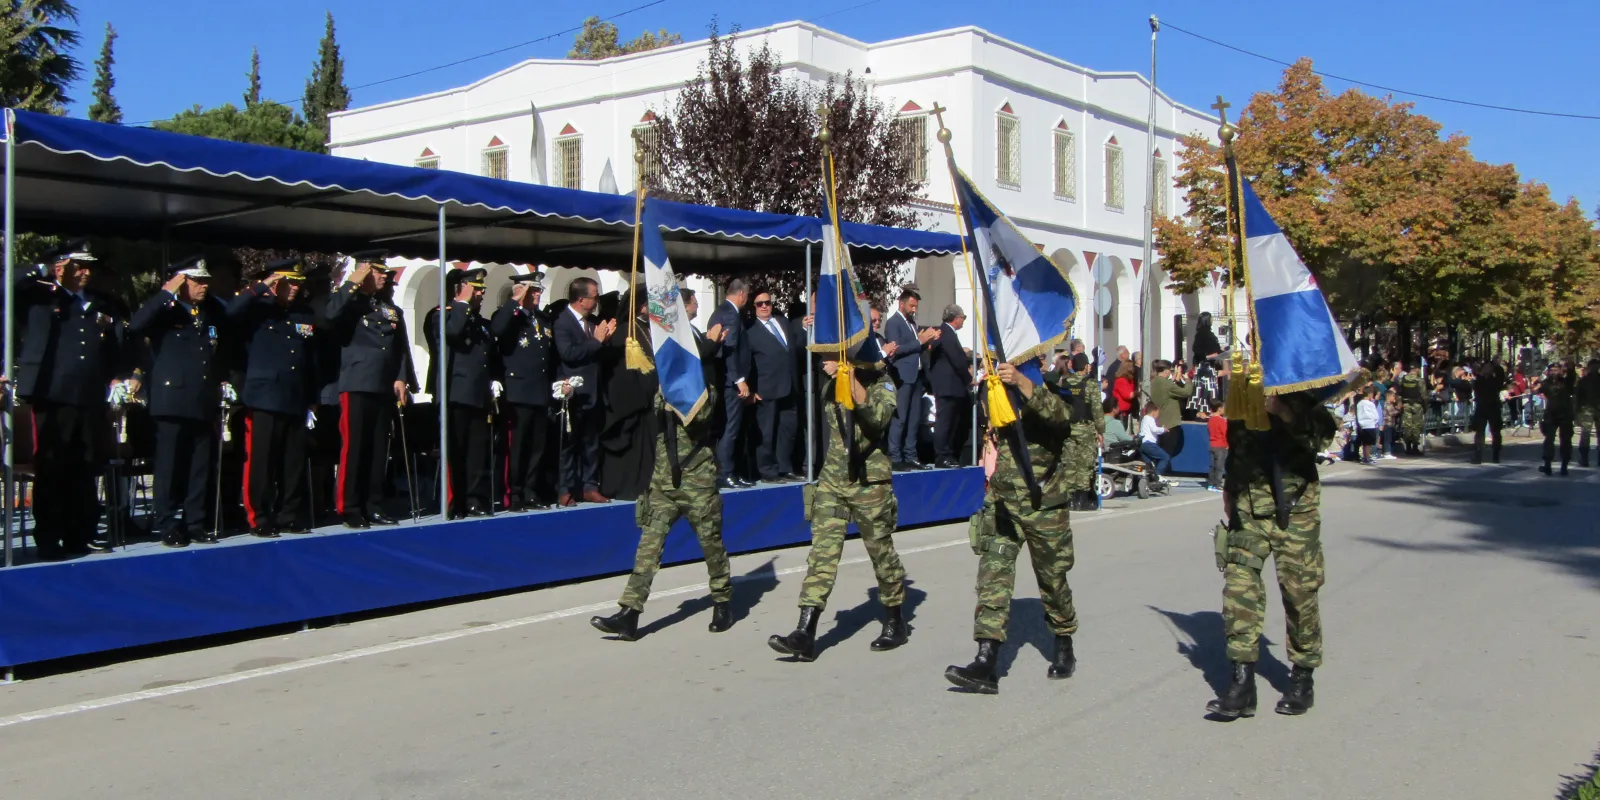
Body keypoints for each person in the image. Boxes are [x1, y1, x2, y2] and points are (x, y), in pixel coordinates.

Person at [590, 315, 733, 640]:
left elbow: (702, 416)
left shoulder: (703, 386)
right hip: (664, 481)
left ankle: (722, 600)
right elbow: (653, 408)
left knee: (711, 544)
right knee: (648, 547)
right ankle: (629, 613)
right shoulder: (664, 385)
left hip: (697, 478)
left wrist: (677, 395)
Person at [945, 359, 1080, 694]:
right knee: (993, 578)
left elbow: (1061, 419)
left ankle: (1063, 641)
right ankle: (985, 661)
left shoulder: (1049, 391)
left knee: (1052, 580)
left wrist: (1022, 382)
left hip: (1043, 505)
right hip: (1004, 504)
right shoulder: (997, 392)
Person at [769, 346, 908, 662]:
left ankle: (895, 622)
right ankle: (805, 631)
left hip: (869, 483)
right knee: (822, 555)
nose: (822, 362)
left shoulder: (882, 382)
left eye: (828, 355)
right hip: (833, 479)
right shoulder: (829, 385)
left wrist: (851, 378)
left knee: (881, 554)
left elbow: (876, 421)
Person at [1208, 390, 1335, 719]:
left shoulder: (1300, 391)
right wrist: (1229, 488)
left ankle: (1303, 676)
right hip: (1249, 509)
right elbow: (1239, 446)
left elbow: (1323, 436)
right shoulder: (1244, 389)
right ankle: (1241, 684)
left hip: (1294, 512)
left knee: (1299, 594)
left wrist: (1283, 410)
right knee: (1239, 591)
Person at [14, 242, 136, 558]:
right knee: (54, 465)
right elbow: (6, 284)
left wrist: (118, 375)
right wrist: (41, 269)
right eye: (76, 267)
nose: (83, 273)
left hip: (90, 394)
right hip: (53, 392)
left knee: (85, 467)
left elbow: (115, 347)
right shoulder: (39, 295)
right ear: (61, 267)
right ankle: (49, 536)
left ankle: (80, 533)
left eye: (86, 267)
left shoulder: (97, 303)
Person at [130, 255, 230, 547]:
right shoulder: (165, 312)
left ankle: (195, 522)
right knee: (170, 466)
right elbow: (136, 325)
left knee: (199, 466)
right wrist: (166, 292)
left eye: (205, 281)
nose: (203, 286)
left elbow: (229, 324)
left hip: (201, 398)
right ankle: (168, 523)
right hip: (171, 400)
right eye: (197, 281)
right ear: (181, 282)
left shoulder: (209, 312)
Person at [227, 258, 319, 537]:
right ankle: (259, 516)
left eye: (298, 283)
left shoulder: (304, 313)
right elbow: (230, 313)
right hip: (264, 396)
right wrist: (261, 287)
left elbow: (310, 357)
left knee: (292, 461)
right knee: (261, 461)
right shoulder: (257, 310)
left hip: (295, 394)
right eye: (288, 283)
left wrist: (312, 396)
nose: (294, 288)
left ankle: (288, 514)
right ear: (275, 283)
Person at [326, 250, 415, 529]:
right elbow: (329, 315)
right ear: (364, 272)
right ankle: (349, 507)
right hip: (356, 382)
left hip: (383, 383)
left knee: (378, 449)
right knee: (354, 448)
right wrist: (351, 283)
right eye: (377, 271)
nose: (384, 277)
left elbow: (400, 348)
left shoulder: (389, 308)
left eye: (384, 272)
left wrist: (401, 378)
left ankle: (373, 504)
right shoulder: (350, 302)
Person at [425, 267, 496, 518]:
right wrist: (462, 303)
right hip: (454, 392)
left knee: (476, 451)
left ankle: (475, 500)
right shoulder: (441, 315)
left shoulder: (478, 321)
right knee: (455, 451)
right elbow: (452, 333)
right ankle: (454, 502)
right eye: (476, 289)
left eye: (481, 290)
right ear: (461, 289)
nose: (480, 294)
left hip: (476, 392)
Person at [490, 272, 553, 511]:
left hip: (539, 390)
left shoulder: (543, 319)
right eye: (532, 290)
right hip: (517, 391)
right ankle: (512, 494)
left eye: (539, 290)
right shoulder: (509, 316)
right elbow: (496, 330)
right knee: (516, 448)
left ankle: (530, 490)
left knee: (536, 447)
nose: (537, 294)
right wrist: (514, 302)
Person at [552, 276, 616, 505]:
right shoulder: (563, 322)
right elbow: (569, 354)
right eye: (594, 296)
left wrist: (605, 340)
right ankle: (566, 489)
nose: (597, 300)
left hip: (594, 391)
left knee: (591, 443)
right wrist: (596, 342)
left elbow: (598, 355)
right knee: (570, 445)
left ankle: (589, 485)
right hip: (573, 393)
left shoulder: (592, 322)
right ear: (581, 299)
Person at [883, 285, 940, 470]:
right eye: (911, 306)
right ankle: (895, 456)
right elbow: (895, 350)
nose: (914, 310)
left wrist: (927, 341)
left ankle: (911, 455)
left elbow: (915, 347)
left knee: (914, 418)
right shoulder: (893, 323)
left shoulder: (912, 324)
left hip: (916, 376)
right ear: (901, 304)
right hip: (902, 376)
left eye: (916, 307)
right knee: (900, 418)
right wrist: (919, 342)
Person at [746, 289, 800, 483]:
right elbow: (746, 361)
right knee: (766, 432)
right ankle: (768, 471)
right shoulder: (750, 330)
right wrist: (749, 388)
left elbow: (795, 346)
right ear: (754, 307)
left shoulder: (783, 322)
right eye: (759, 304)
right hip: (765, 389)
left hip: (789, 386)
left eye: (767, 302)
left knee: (788, 429)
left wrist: (805, 327)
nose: (764, 306)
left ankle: (785, 467)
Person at [709, 278, 753, 489]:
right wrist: (740, 380)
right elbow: (730, 350)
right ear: (742, 294)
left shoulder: (723, 311)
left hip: (728, 381)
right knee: (731, 428)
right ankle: (724, 472)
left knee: (734, 427)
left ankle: (733, 470)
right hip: (730, 382)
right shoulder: (730, 314)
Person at [1057, 353, 1104, 511]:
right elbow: (1097, 409)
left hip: (1068, 428)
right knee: (1085, 464)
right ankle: (1081, 500)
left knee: (1069, 463)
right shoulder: (1090, 384)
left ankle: (1069, 499)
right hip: (1085, 429)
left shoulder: (1065, 383)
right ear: (1085, 366)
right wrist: (1101, 430)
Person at [928, 304, 973, 468]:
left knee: (952, 422)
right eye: (963, 318)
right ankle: (942, 456)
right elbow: (957, 360)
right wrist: (969, 378)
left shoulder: (946, 333)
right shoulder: (946, 334)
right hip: (947, 387)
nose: (964, 321)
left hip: (951, 387)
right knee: (945, 422)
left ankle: (948, 454)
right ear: (957, 318)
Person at [1149, 359, 1195, 459]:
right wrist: (1187, 379)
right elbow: (1186, 392)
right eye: (1170, 370)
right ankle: (1160, 471)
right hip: (1169, 423)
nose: (1170, 372)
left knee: (1160, 449)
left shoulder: (1153, 382)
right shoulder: (1167, 384)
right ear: (1165, 370)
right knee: (1168, 451)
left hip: (1157, 420)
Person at [1539, 361, 1576, 476]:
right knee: (1549, 440)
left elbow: (1572, 377)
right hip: (1551, 414)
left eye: (1556, 370)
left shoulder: (1566, 382)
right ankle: (1547, 464)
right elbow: (1538, 390)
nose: (1554, 373)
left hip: (1565, 414)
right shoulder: (1546, 383)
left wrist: (1570, 366)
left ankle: (1564, 465)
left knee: (1565, 440)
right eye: (1552, 370)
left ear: (1560, 371)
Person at [1470, 359, 1507, 465]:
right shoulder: (1479, 381)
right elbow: (1475, 373)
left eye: (1489, 368)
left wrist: (1496, 365)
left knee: (1496, 432)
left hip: (1493, 408)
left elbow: (1501, 376)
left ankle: (1496, 455)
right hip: (1481, 409)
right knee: (1479, 433)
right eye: (1485, 367)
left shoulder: (1495, 381)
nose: (1487, 369)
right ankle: (1478, 455)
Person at [1137, 401, 1172, 480]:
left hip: (1142, 444)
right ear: (1154, 412)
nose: (1157, 416)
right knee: (1165, 457)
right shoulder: (1150, 419)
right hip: (1149, 444)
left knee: (1149, 463)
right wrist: (1164, 429)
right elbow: (1154, 429)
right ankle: (1158, 475)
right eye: (1158, 413)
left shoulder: (1144, 419)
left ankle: (1147, 478)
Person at [1397, 364, 1426, 454]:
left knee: (1407, 426)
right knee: (1416, 426)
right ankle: (1415, 447)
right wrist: (1425, 407)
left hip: (1406, 405)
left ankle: (1408, 446)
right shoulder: (1419, 380)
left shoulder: (1402, 379)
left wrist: (1400, 403)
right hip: (1417, 405)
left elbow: (1399, 393)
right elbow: (1424, 395)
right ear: (1417, 369)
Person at [1576, 359, 1599, 468]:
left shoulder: (1583, 381)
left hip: (1587, 409)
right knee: (1586, 434)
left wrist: (1577, 412)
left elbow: (1578, 398)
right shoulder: (1583, 381)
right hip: (1590, 409)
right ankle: (1585, 458)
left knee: (1585, 434)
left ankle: (1584, 458)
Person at [1206, 399, 1228, 492]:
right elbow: (1225, 433)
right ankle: (1218, 484)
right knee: (1220, 466)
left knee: (1213, 466)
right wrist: (1227, 444)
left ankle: (1210, 484)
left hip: (1212, 444)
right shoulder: (1221, 421)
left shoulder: (1210, 420)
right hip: (1221, 445)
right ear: (1219, 409)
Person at [1355, 386, 1380, 466]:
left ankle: (1366, 457)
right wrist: (1375, 421)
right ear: (1369, 394)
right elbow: (1375, 415)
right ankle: (1367, 458)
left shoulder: (1359, 403)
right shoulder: (1370, 404)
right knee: (1368, 443)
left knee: (1365, 443)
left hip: (1362, 424)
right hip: (1370, 424)